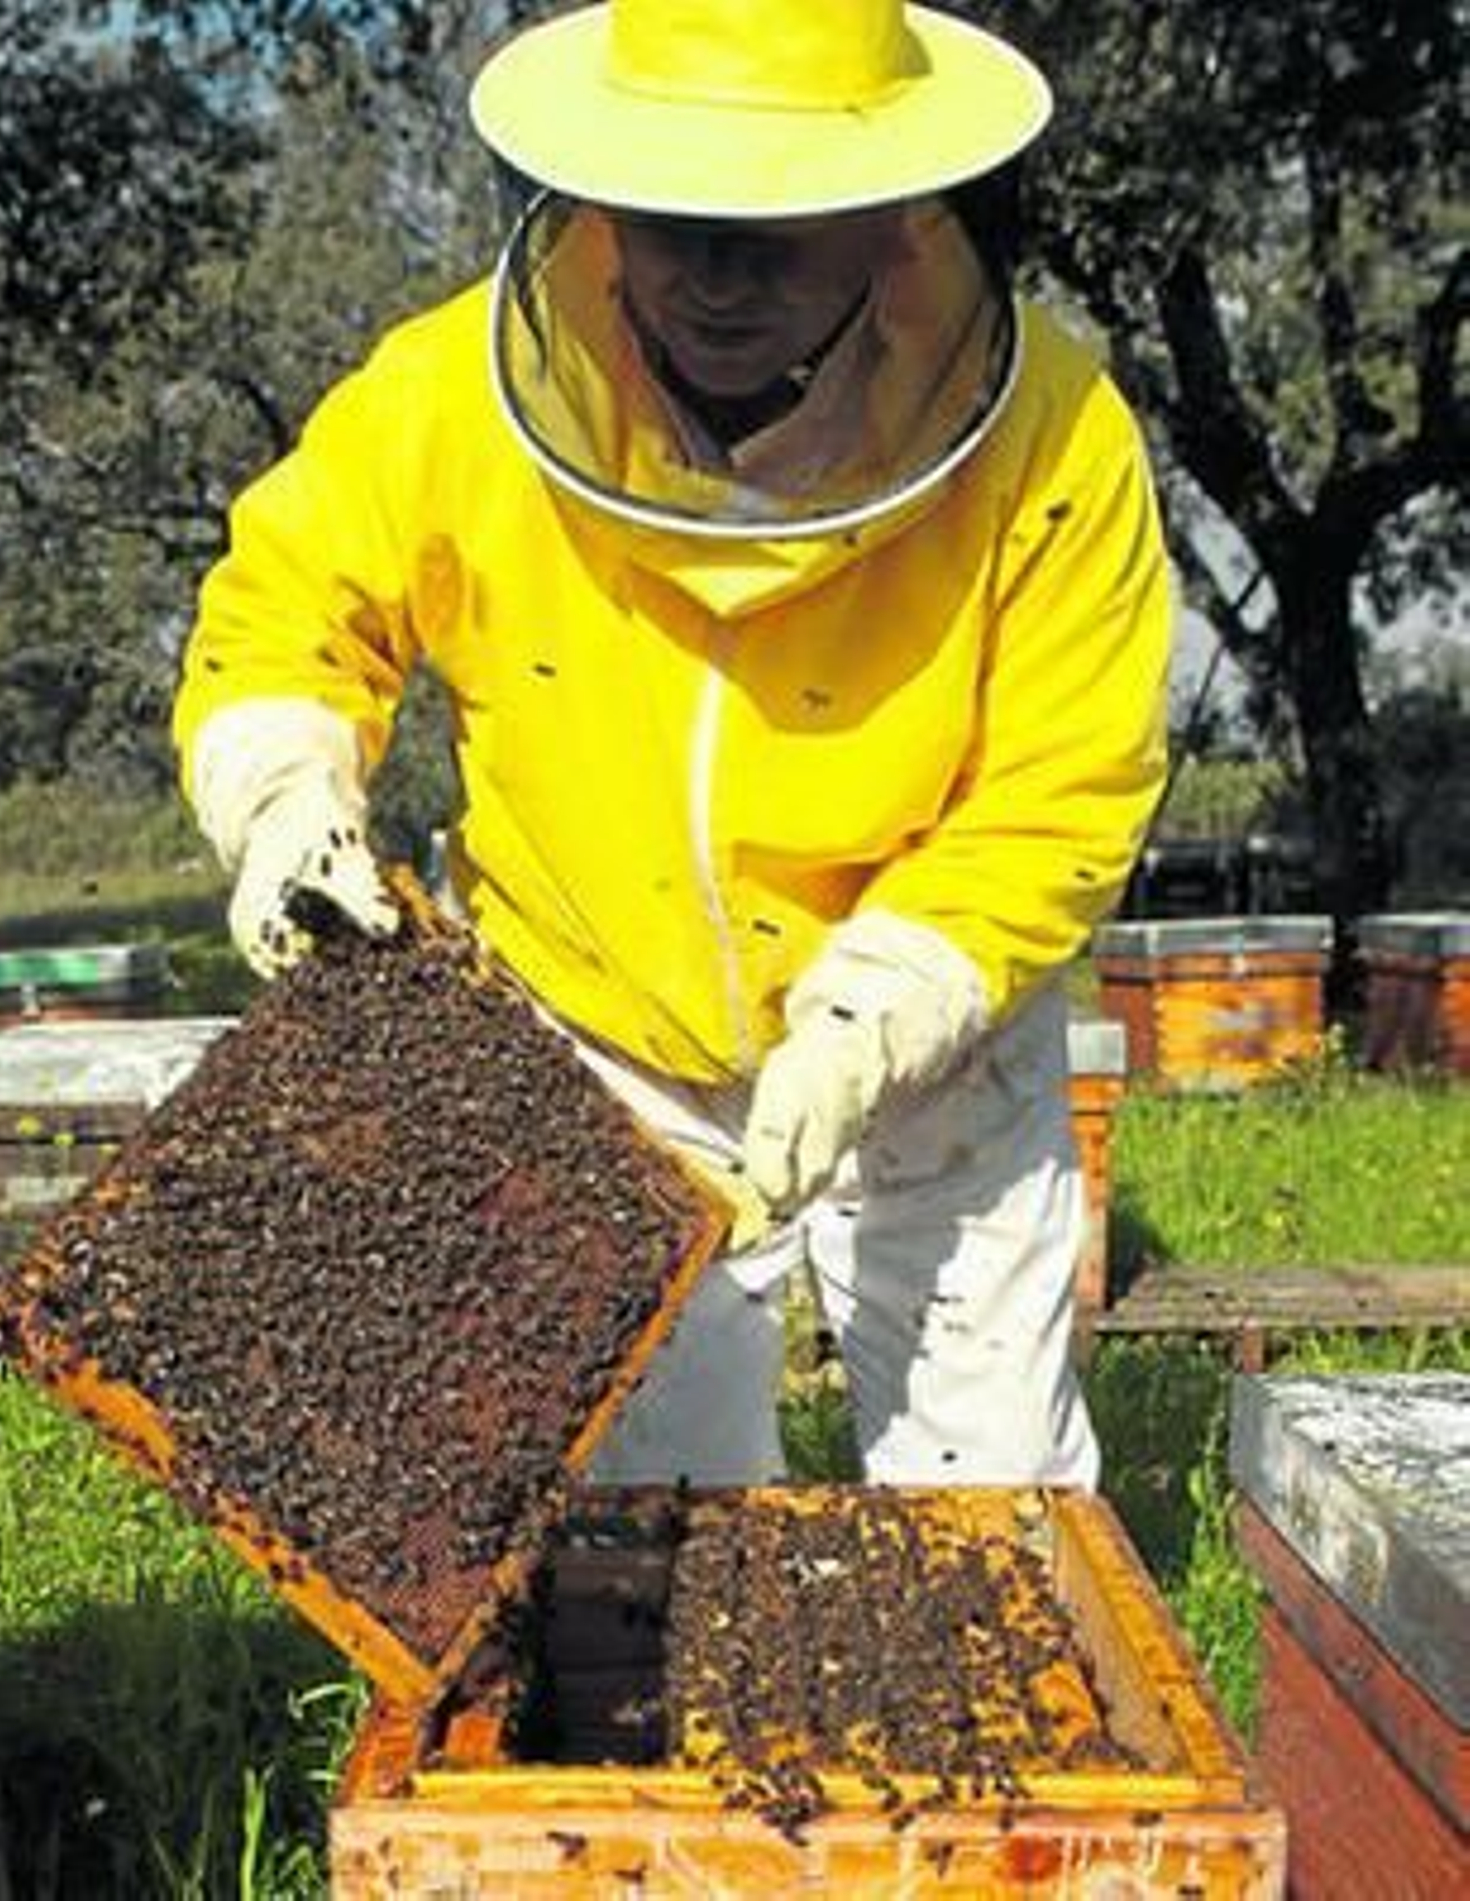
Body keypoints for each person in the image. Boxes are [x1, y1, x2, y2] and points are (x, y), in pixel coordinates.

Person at [173, 0, 1171, 1491]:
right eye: (671, 217)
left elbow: (1061, 784)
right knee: (655, 1519)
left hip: (925, 1035)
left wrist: (875, 1014)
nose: (713, 276)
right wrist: (284, 803)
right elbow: (287, 612)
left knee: (994, 1494)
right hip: (596, 1029)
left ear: (893, 212)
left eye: (770, 227)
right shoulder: (448, 397)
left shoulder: (1056, 441)